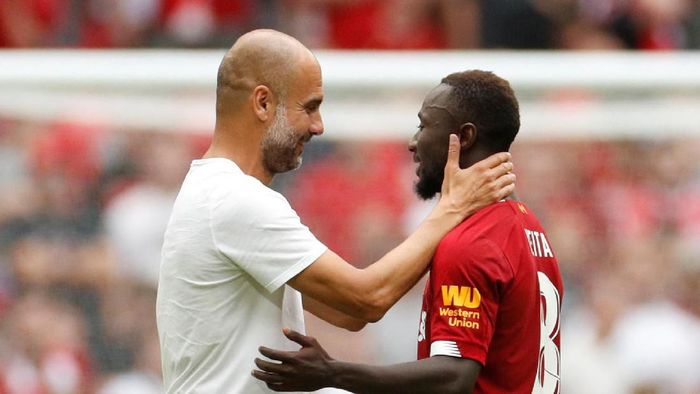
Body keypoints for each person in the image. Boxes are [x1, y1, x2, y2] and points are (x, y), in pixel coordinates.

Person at [155, 30, 516, 393]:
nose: (319, 126)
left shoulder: (215, 193)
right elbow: (365, 300)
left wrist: (335, 376)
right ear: (262, 103)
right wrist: (453, 207)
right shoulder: (233, 198)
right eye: (309, 106)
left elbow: (346, 314)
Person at [252, 70, 564, 393]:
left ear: (465, 138)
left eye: (424, 125)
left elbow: (453, 376)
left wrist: (334, 374)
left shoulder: (471, 241)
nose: (413, 142)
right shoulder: (532, 230)